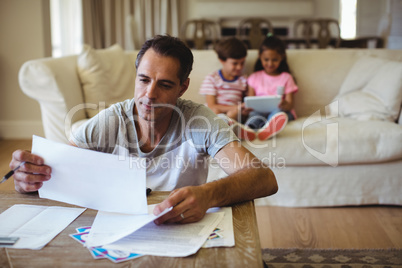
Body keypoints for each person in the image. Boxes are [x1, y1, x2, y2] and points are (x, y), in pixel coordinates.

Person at [9, 35, 278, 225]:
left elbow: (264, 178)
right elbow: (55, 175)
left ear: (183, 87)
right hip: (113, 228)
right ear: (135, 75)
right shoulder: (111, 120)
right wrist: (28, 178)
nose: (149, 95)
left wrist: (208, 194)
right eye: (144, 80)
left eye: (164, 84)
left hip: (181, 228)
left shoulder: (199, 121)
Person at [199, 37, 255, 140]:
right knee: (215, 110)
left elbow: (249, 102)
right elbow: (212, 105)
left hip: (234, 114)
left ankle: (228, 132)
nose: (239, 67)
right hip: (216, 112)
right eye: (235, 63)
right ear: (222, 60)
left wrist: (243, 109)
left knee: (233, 113)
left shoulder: (243, 80)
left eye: (242, 63)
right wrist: (234, 107)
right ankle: (227, 130)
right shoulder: (212, 78)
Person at [245, 35, 298, 141]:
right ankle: (249, 130)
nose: (270, 63)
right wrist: (248, 108)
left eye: (274, 60)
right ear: (260, 56)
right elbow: (251, 100)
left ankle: (269, 128)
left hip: (280, 111)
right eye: (266, 59)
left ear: (281, 58)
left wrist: (285, 105)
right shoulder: (254, 77)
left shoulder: (286, 78)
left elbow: (290, 104)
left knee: (278, 113)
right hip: (259, 111)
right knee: (254, 115)